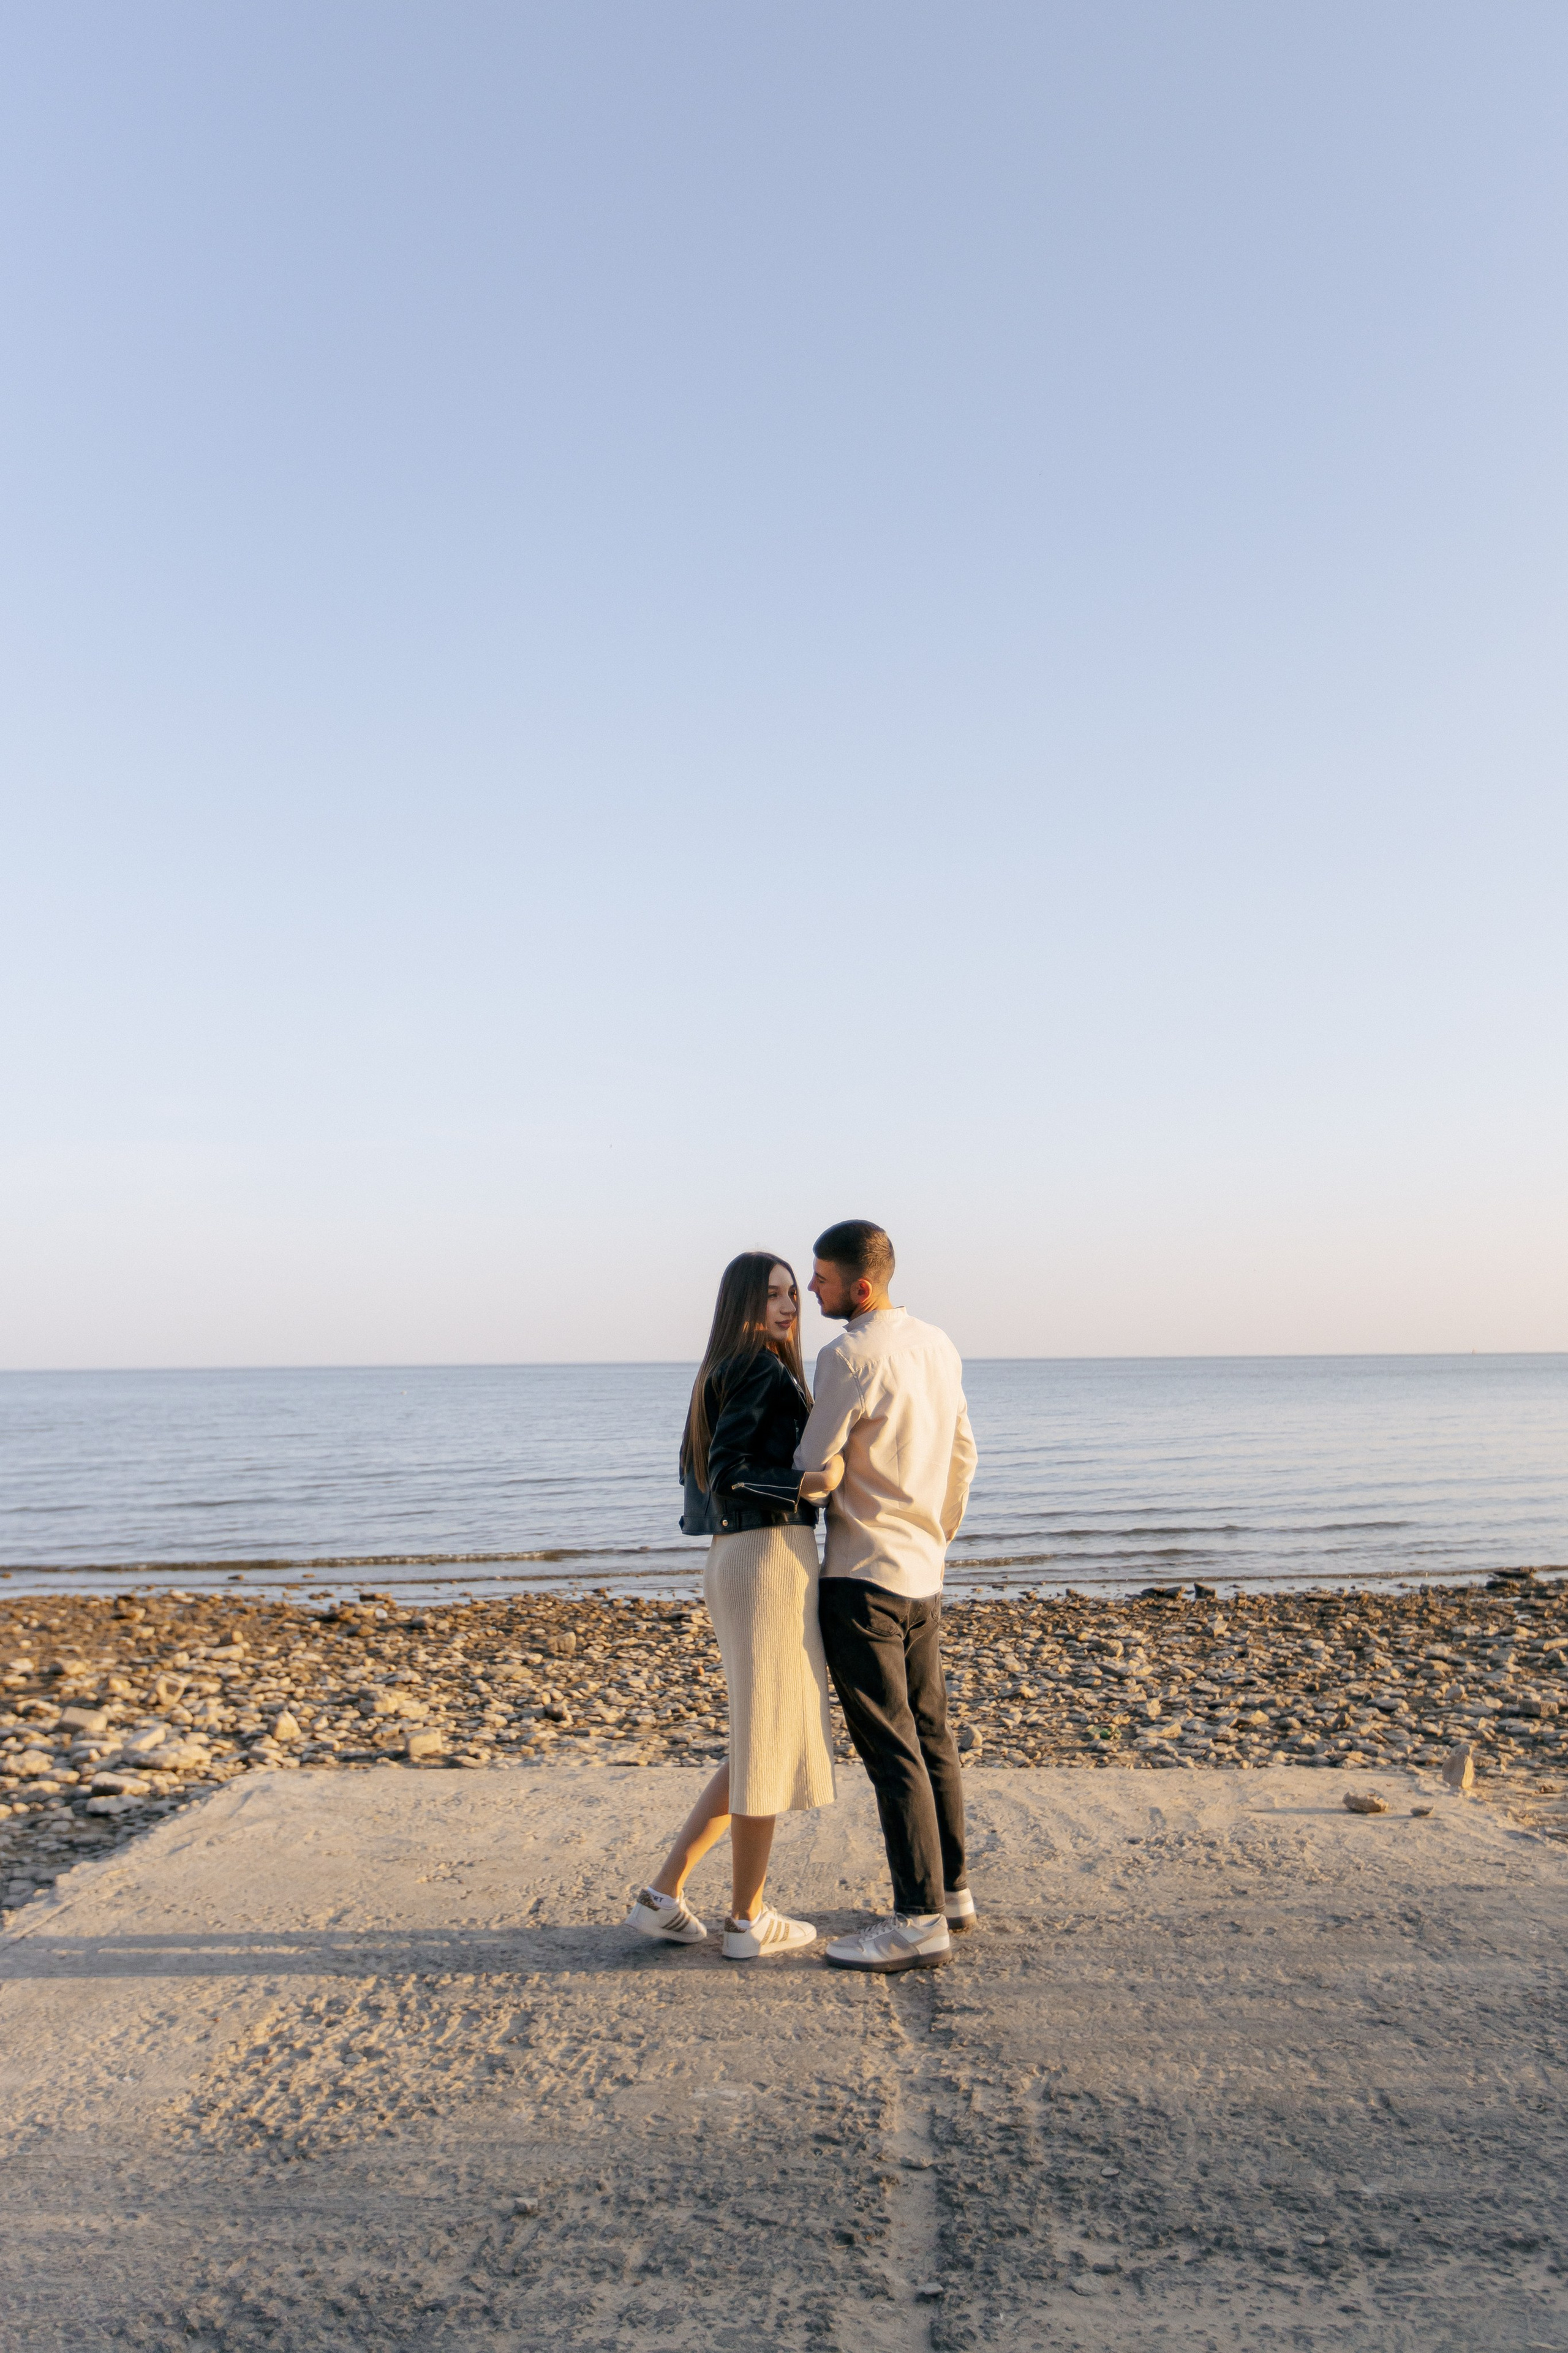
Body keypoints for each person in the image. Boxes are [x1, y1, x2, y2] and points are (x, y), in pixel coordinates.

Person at [627, 1252, 843, 1960]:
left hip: (739, 1560)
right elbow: (729, 1475)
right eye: (772, 1295)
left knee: (757, 1736)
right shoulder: (755, 1365)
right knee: (766, 1741)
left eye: (792, 1294)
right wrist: (810, 1483)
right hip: (765, 1559)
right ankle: (748, 1919)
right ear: (742, 1304)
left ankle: (664, 1895)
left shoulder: (721, 1368)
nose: (788, 1306)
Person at [793, 1219, 978, 1972]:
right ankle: (953, 1893)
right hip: (921, 1571)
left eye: (822, 1279)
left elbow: (811, 1460)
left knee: (891, 1751)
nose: (812, 1289)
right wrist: (935, 1535)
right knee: (931, 1737)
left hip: (863, 1575)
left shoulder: (847, 1355)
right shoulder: (938, 1344)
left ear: (859, 1288)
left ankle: (917, 1919)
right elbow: (964, 1453)